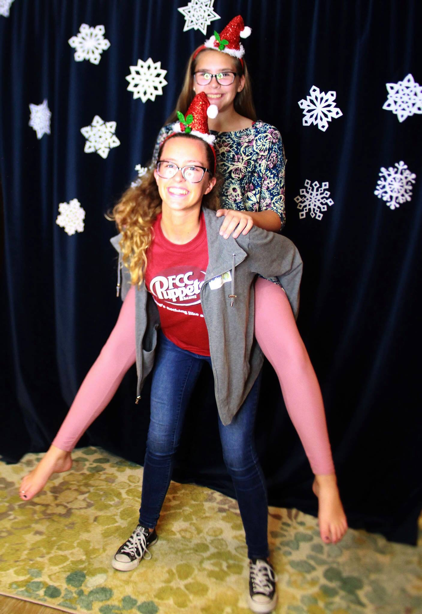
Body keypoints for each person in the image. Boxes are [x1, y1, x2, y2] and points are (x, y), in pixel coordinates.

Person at [21, 95, 304, 613]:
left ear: (210, 182)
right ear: (156, 172)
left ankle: (258, 557)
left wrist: (272, 316)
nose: (179, 177)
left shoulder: (232, 235)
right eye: (169, 165)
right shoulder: (141, 239)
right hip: (180, 347)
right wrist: (59, 449)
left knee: (238, 455)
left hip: (232, 353)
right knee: (159, 438)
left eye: (193, 168)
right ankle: (145, 527)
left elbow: (287, 260)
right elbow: (113, 355)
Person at [152, 15, 348, 545]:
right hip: (190, 275)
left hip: (245, 270)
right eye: (203, 74)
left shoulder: (264, 137)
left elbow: (277, 216)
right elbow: (158, 199)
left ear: (240, 82)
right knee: (162, 429)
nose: (213, 83)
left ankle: (321, 483)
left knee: (285, 364)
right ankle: (147, 521)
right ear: (192, 80)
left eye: (224, 74)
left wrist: (244, 216)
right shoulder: (175, 137)